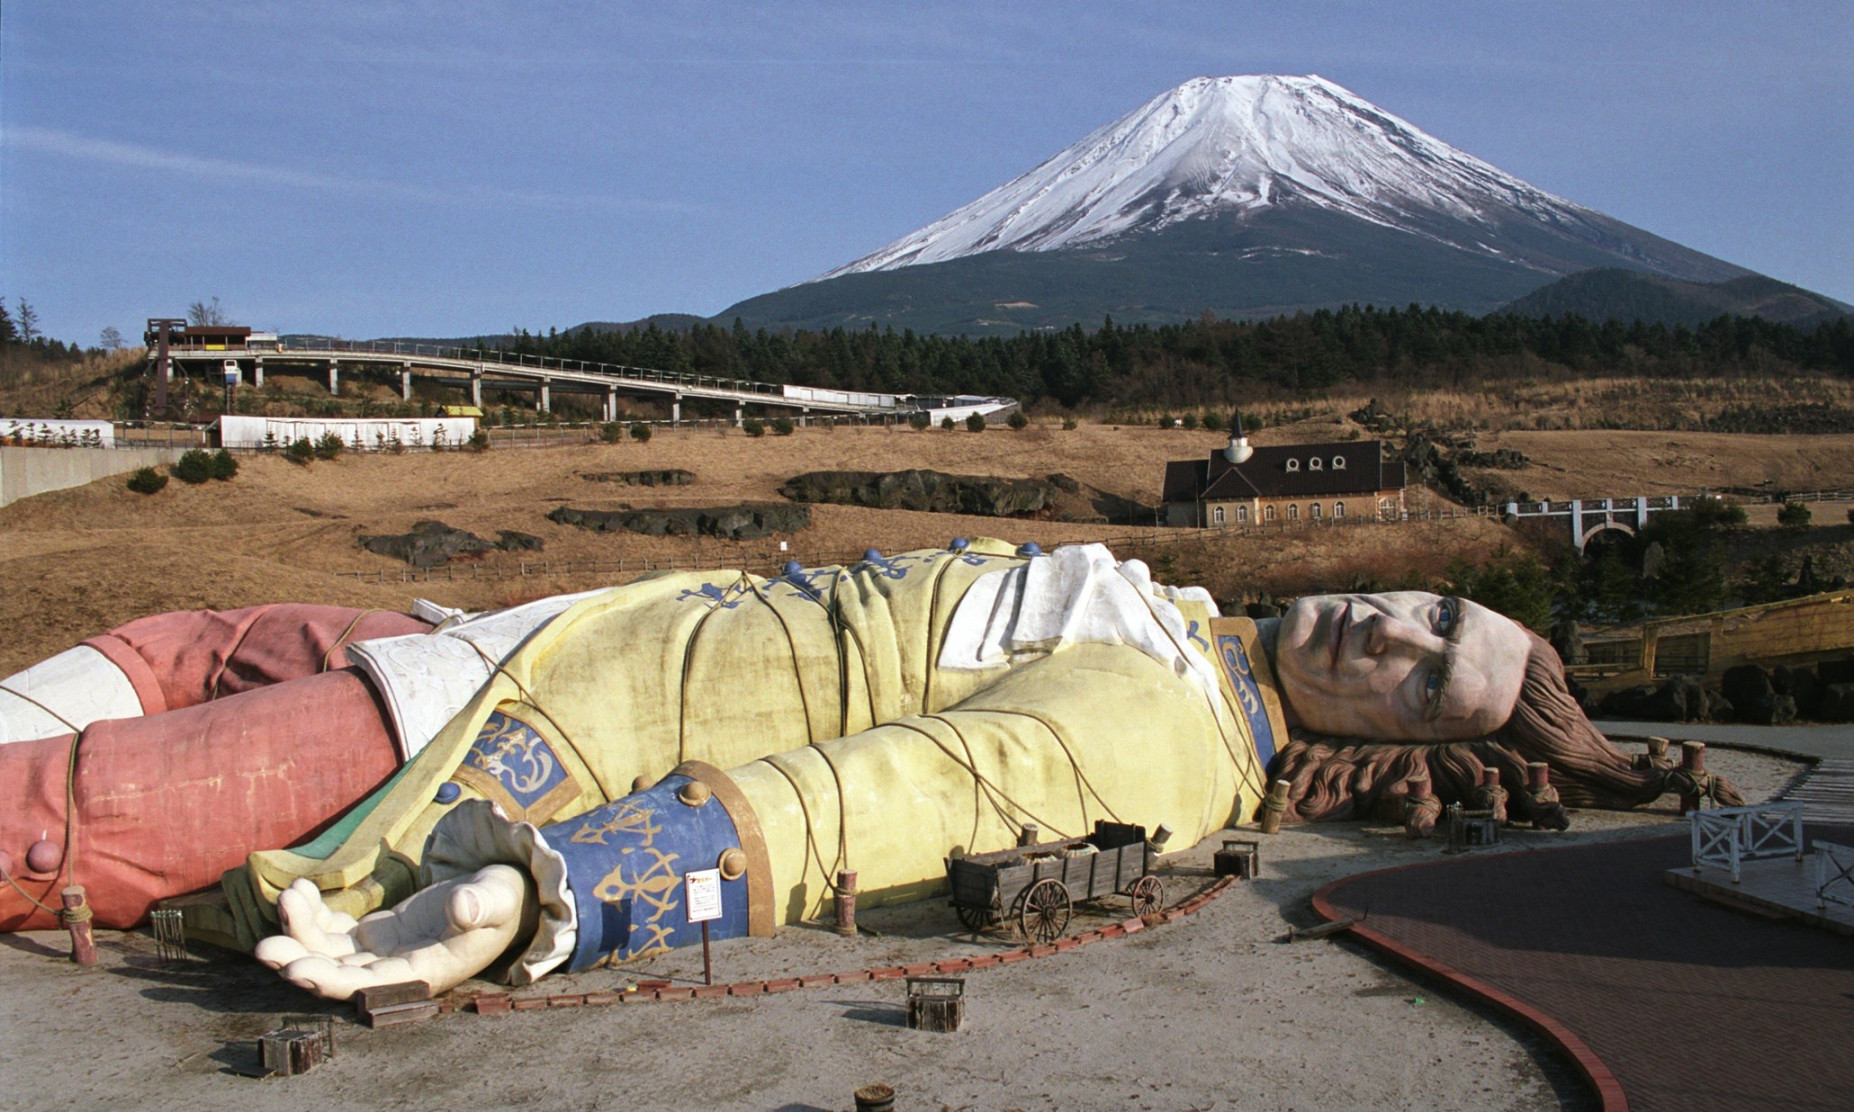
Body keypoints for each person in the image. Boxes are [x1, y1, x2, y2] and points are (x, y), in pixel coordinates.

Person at [0, 541, 1719, 999]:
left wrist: (553, 891)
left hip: (486, 738)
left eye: (1426, 677)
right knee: (167, 642)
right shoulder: (1171, 617)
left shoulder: (1168, 733)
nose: (1390, 633)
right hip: (494, 629)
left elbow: (882, 799)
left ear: (1387, 748)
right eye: (1428, 608)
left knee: (54, 821)